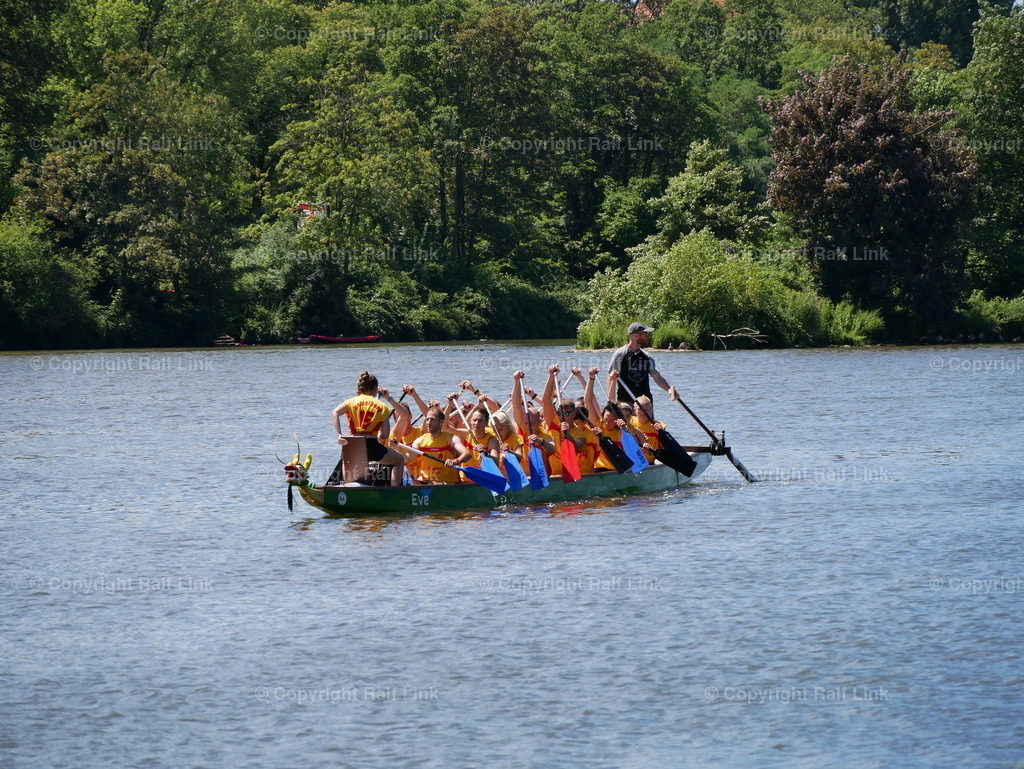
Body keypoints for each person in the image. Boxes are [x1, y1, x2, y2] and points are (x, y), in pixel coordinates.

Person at [331, 371, 406, 486]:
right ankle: (395, 491)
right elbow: (385, 435)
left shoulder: (351, 402)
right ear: (375, 388)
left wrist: (339, 434)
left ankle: (347, 489)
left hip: (352, 444)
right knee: (399, 460)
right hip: (371, 445)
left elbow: (335, 413)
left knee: (347, 463)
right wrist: (379, 435)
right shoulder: (383, 407)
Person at [391, 405, 471, 484]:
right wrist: (397, 448)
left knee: (429, 483)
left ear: (441, 422)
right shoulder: (420, 441)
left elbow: (467, 454)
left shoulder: (451, 439)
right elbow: (406, 459)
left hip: (447, 483)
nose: (428, 423)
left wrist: (456, 461)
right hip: (427, 482)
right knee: (408, 481)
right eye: (427, 419)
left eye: (432, 420)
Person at [607, 322, 678, 403]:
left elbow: (657, 377)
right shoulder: (620, 354)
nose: (648, 337)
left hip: (646, 403)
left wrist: (669, 389)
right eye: (646, 334)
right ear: (636, 336)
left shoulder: (647, 356)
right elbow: (611, 378)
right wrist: (611, 403)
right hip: (626, 402)